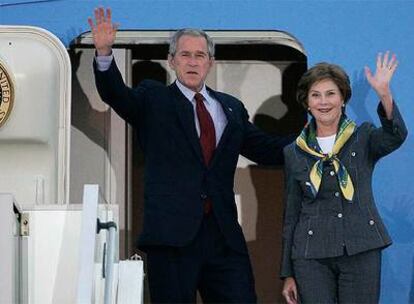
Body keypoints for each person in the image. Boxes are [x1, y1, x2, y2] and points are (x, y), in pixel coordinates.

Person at [88, 7, 293, 303]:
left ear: (210, 62)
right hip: (172, 240)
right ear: (172, 61)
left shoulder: (231, 108)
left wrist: (318, 138)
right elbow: (116, 95)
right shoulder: (153, 99)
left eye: (200, 55)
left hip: (223, 238)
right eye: (185, 55)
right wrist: (104, 53)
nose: (193, 62)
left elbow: (267, 149)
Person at [280, 52, 407, 304]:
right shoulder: (294, 151)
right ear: (306, 102)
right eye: (315, 95)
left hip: (361, 248)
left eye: (330, 94)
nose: (323, 102)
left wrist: (383, 93)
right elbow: (291, 213)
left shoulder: (364, 137)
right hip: (310, 256)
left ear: (343, 99)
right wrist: (287, 273)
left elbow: (395, 135)